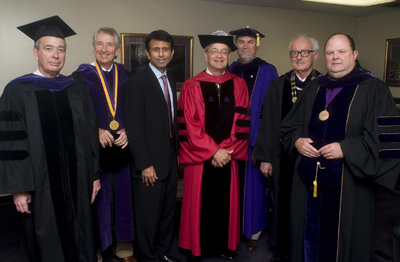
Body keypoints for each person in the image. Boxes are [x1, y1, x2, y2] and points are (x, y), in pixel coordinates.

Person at [280, 33, 400, 262]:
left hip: (349, 184)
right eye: (330, 53)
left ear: (354, 54)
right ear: (323, 56)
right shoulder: (316, 87)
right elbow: (290, 125)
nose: (335, 57)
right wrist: (297, 140)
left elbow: (388, 137)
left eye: (341, 52)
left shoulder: (373, 88)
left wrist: (346, 148)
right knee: (305, 236)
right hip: (308, 179)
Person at [0, 16, 100, 262]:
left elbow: (90, 133)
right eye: (48, 48)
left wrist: (95, 175)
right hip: (40, 185)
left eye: (61, 49)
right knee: (47, 239)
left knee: (82, 236)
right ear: (35, 52)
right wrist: (19, 188)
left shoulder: (76, 88)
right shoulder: (17, 90)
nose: (55, 55)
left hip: (79, 180)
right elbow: (11, 143)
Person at [177, 31, 250, 261]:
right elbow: (189, 124)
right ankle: (198, 248)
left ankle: (224, 246)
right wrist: (213, 151)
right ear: (206, 54)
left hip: (228, 156)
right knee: (199, 203)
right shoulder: (191, 85)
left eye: (224, 52)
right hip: (202, 159)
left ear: (229, 55)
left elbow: (242, 123)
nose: (219, 55)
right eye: (214, 51)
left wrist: (226, 150)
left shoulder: (239, 84)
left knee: (225, 202)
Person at [253, 35, 320, 261]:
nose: (299, 57)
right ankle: (282, 250)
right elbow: (268, 124)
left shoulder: (325, 85)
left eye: (305, 52)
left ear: (315, 56)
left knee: (311, 207)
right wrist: (265, 158)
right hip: (283, 159)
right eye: (294, 53)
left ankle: (309, 251)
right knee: (282, 204)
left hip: (315, 159)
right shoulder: (278, 85)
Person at [71, 27, 135, 262]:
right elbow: (75, 114)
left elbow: (134, 109)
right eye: (100, 44)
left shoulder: (126, 74)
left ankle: (124, 247)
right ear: (93, 47)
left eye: (109, 45)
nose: (104, 49)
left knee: (124, 196)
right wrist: (95, 130)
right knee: (97, 197)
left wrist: (129, 128)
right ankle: (97, 247)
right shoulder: (80, 76)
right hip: (95, 149)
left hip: (121, 145)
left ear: (117, 50)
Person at [124, 30, 180, 262]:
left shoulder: (170, 80)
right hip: (149, 163)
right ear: (147, 53)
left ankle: (162, 252)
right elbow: (135, 128)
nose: (161, 54)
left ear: (172, 52)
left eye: (165, 49)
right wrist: (144, 164)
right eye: (156, 49)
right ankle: (147, 256)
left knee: (167, 212)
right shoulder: (137, 82)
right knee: (148, 216)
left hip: (169, 157)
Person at [228, 26, 279, 252]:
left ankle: (254, 230)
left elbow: (272, 111)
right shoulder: (230, 69)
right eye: (241, 42)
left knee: (255, 187)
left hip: (254, 140)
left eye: (250, 42)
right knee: (232, 186)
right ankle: (233, 227)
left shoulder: (267, 70)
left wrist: (262, 144)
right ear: (235, 46)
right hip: (231, 142)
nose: (246, 46)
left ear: (257, 45)